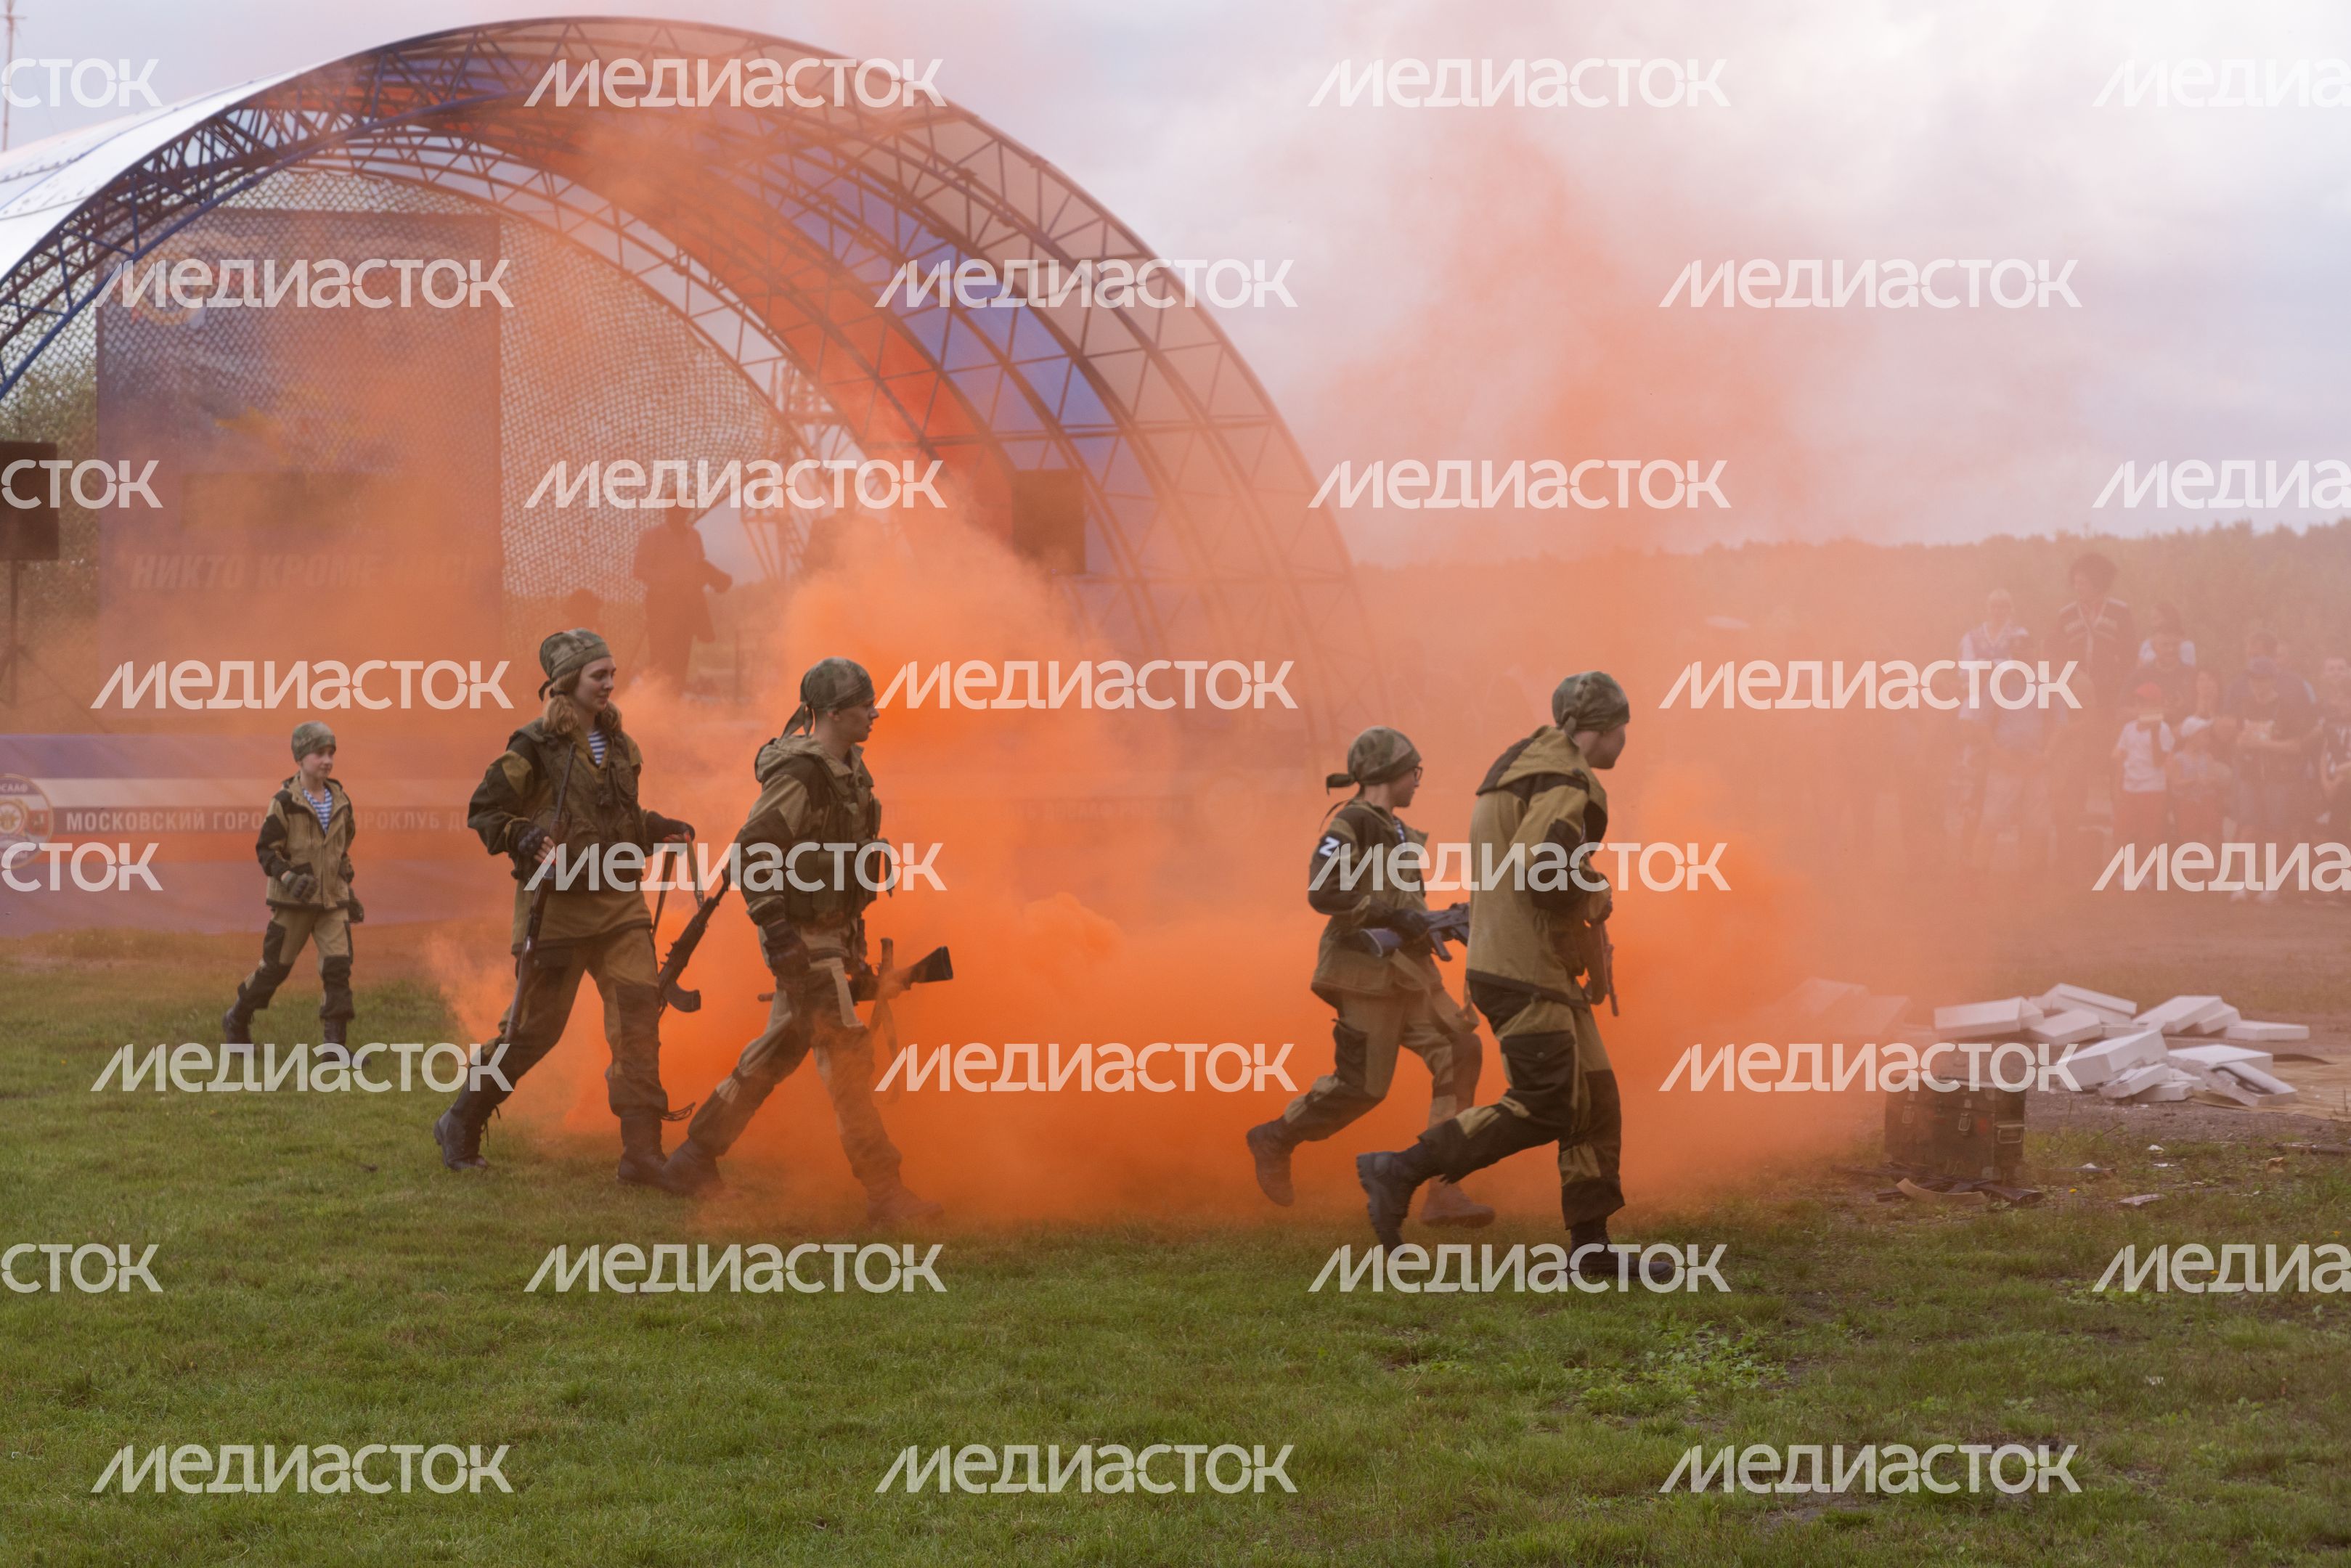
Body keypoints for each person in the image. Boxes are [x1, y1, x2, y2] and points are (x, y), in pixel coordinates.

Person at [1355, 671, 1668, 1282]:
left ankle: (1591, 1245)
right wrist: (1593, 891)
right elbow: (1539, 871)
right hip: (1523, 971)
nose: (1626, 740)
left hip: (1529, 967)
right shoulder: (1566, 780)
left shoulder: (1523, 768)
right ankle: (1399, 1169)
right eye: (1622, 728)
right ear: (1597, 730)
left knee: (1594, 1098)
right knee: (1547, 1103)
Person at [662, 658, 941, 1224]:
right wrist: (781, 935)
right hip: (802, 940)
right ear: (832, 713)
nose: (875, 712)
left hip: (829, 936)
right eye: (864, 704)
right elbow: (750, 852)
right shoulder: (804, 775)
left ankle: (694, 1157)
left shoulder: (848, 770)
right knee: (848, 1059)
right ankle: (885, 1191)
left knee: (780, 1050)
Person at [434, 629, 696, 1188]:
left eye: (611, 674)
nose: (609, 684)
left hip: (621, 905)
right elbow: (485, 811)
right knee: (534, 1029)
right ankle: (460, 1121)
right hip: (557, 906)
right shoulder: (533, 746)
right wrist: (523, 836)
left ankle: (642, 1154)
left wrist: (658, 828)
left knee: (637, 1023)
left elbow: (621, 819)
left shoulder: (622, 745)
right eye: (598, 675)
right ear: (567, 682)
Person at [1243, 726, 1491, 1227]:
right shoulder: (1352, 823)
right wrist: (1388, 914)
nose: (1417, 782)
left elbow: (1401, 905)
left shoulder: (1396, 829)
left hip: (1407, 974)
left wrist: (1432, 921)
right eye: (1413, 772)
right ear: (1387, 773)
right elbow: (1322, 889)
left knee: (1461, 1050)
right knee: (1362, 1088)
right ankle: (1275, 1138)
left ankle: (1444, 1188)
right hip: (1364, 976)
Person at [222, 721, 362, 1059]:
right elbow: (267, 851)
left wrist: (346, 882)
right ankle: (237, 1019)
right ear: (301, 757)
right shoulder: (284, 802)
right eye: (319, 753)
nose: (327, 760)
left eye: (331, 753)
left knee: (337, 967)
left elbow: (342, 847)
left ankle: (335, 1047)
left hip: (332, 902)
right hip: (294, 903)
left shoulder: (341, 800)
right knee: (275, 969)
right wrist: (288, 878)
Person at [2225, 655, 2319, 902]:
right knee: (2248, 827)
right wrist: (2240, 743)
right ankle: (2245, 883)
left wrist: (2263, 744)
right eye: (2254, 679)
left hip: (2279, 777)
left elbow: (2298, 746)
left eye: (2263, 679)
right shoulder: (2243, 706)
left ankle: (2272, 884)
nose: (2258, 684)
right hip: (2249, 775)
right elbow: (2235, 738)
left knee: (2278, 829)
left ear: (2273, 680)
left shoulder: (2287, 709)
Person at [632, 505, 733, 692]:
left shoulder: (694, 536)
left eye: (683, 511)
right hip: (661, 603)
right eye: (675, 510)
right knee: (661, 654)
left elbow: (698, 565)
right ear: (668, 511)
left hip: (686, 603)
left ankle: (673, 701)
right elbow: (638, 569)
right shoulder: (653, 536)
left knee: (682, 654)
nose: (680, 514)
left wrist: (713, 576)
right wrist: (668, 578)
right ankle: (656, 701)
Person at [2111, 684, 2174, 853]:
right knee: (2123, 833)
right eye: (2138, 703)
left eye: (2146, 703)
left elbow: (2159, 762)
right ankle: (2124, 875)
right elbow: (2120, 759)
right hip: (2130, 789)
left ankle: (2148, 876)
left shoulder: (2163, 730)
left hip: (2153, 790)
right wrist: (2117, 788)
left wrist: (2154, 733)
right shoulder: (2128, 728)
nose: (2140, 707)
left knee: (2151, 836)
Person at [2168, 716, 2231, 852]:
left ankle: (2212, 873)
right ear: (2192, 738)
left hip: (2206, 802)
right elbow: (2176, 784)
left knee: (2209, 838)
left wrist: (2210, 781)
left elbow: (2214, 778)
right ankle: (2191, 872)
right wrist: (2194, 781)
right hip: (2187, 804)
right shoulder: (2179, 758)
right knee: (2190, 842)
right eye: (2204, 737)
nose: (2207, 740)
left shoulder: (2207, 757)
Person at [2134, 605, 2196, 723]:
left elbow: (2188, 671)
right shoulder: (2146, 644)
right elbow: (2138, 668)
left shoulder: (2186, 646)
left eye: (2157, 618)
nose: (2153, 623)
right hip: (2149, 689)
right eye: (2152, 619)